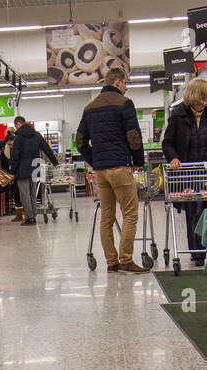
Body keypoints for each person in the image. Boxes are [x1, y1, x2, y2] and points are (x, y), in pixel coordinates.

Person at [76, 66, 149, 274]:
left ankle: (111, 261)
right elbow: (134, 135)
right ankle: (126, 259)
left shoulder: (89, 107)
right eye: (125, 83)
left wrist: (95, 160)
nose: (126, 88)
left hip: (101, 171)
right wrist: (137, 161)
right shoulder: (124, 104)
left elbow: (80, 141)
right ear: (117, 82)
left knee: (107, 216)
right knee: (130, 214)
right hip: (119, 167)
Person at [162, 77, 207, 267]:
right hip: (186, 172)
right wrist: (173, 158)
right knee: (194, 210)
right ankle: (198, 253)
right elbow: (168, 143)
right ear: (198, 96)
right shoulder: (177, 115)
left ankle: (205, 250)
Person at [9, 115, 58, 226]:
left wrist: (13, 170)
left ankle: (30, 218)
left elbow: (15, 155)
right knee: (32, 194)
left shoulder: (18, 137)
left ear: (18, 124)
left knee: (24, 194)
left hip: (22, 169)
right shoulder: (36, 135)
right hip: (35, 167)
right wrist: (55, 162)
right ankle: (33, 215)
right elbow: (46, 148)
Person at [2, 127, 24, 221]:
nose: (10, 146)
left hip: (20, 174)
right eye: (8, 144)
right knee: (16, 194)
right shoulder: (6, 151)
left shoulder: (20, 148)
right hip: (12, 175)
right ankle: (19, 215)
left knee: (23, 194)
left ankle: (27, 214)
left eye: (11, 144)